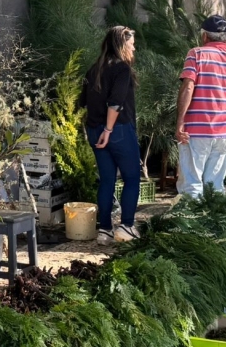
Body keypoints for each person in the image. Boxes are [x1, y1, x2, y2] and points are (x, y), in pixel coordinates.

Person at [174, 15, 226, 199]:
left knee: (192, 185)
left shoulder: (196, 54)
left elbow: (188, 87)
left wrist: (180, 121)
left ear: (204, 36)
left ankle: (192, 217)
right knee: (214, 187)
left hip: (196, 130)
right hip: (224, 131)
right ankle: (213, 218)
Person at [81, 26, 142, 245]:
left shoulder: (93, 70)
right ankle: (126, 226)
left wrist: (99, 129)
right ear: (121, 45)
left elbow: (83, 102)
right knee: (131, 178)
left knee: (107, 180)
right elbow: (115, 103)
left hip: (94, 129)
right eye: (131, 44)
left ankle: (104, 231)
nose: (134, 48)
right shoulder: (121, 69)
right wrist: (108, 130)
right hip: (117, 130)